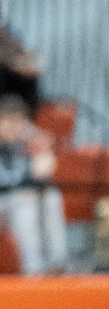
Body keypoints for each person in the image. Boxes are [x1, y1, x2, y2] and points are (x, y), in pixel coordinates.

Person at [0, 94, 67, 274]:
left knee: (49, 197)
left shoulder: (30, 143)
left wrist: (38, 145)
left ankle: (52, 266)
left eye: (17, 122)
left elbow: (44, 174)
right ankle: (36, 269)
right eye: (7, 121)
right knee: (24, 202)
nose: (12, 127)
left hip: (18, 202)